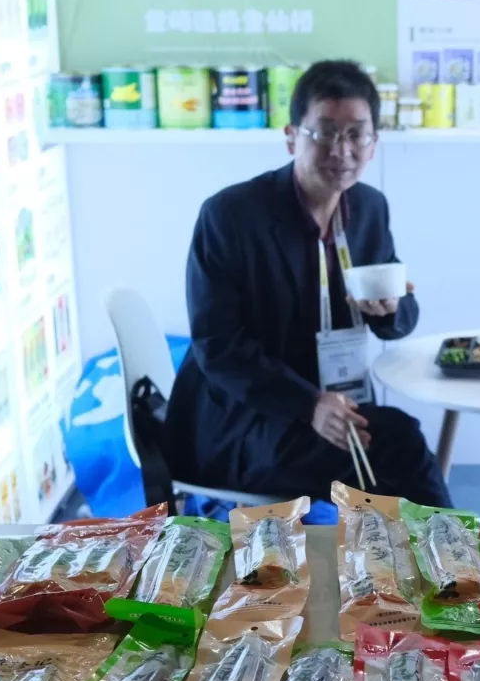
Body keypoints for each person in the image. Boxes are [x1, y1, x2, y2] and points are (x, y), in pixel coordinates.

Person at [166, 60, 452, 507]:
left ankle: (433, 562)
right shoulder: (229, 216)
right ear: (290, 136)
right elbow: (217, 346)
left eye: (357, 134)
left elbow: (400, 306)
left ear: (374, 144)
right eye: (325, 133)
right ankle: (446, 562)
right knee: (394, 449)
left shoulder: (368, 209)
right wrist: (308, 404)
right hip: (242, 418)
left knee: (395, 447)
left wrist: (393, 308)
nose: (342, 150)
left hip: (335, 402)